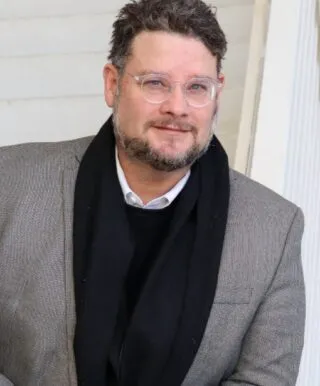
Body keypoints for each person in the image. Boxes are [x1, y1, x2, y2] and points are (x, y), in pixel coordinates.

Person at [0, 0, 305, 385]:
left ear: (217, 94)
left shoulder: (275, 229)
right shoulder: (8, 183)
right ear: (113, 84)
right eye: (156, 83)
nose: (177, 107)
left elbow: (265, 379)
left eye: (197, 87)